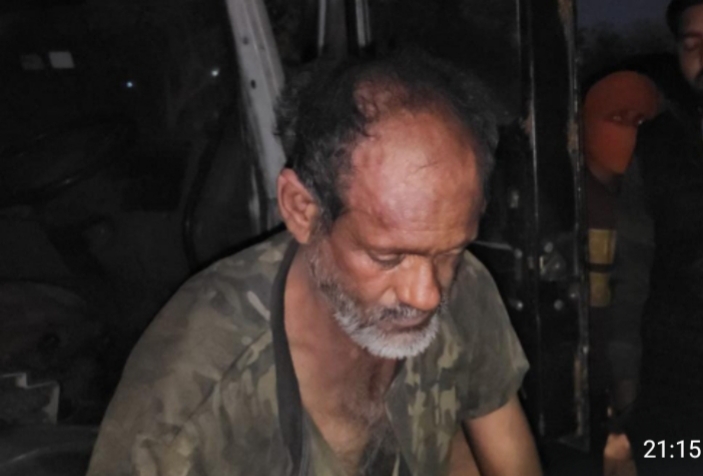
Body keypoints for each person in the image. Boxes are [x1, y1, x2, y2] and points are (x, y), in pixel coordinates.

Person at [85, 52, 542, 476]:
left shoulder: (465, 288)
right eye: (387, 257)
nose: (427, 295)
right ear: (302, 210)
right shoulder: (191, 391)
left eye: (451, 251)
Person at [609, 1, 703, 474]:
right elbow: (632, 269)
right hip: (675, 390)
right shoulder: (658, 145)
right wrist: (626, 391)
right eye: (692, 44)